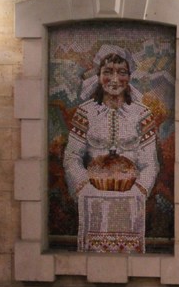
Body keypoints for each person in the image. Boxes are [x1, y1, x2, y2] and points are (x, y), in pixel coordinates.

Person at [63, 44, 159, 234]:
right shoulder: (86, 112)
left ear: (129, 77)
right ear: (98, 76)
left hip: (132, 197)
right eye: (108, 72)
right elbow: (72, 157)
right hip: (92, 196)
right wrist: (85, 190)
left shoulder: (142, 114)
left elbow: (150, 163)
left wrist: (137, 192)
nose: (115, 80)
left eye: (122, 72)